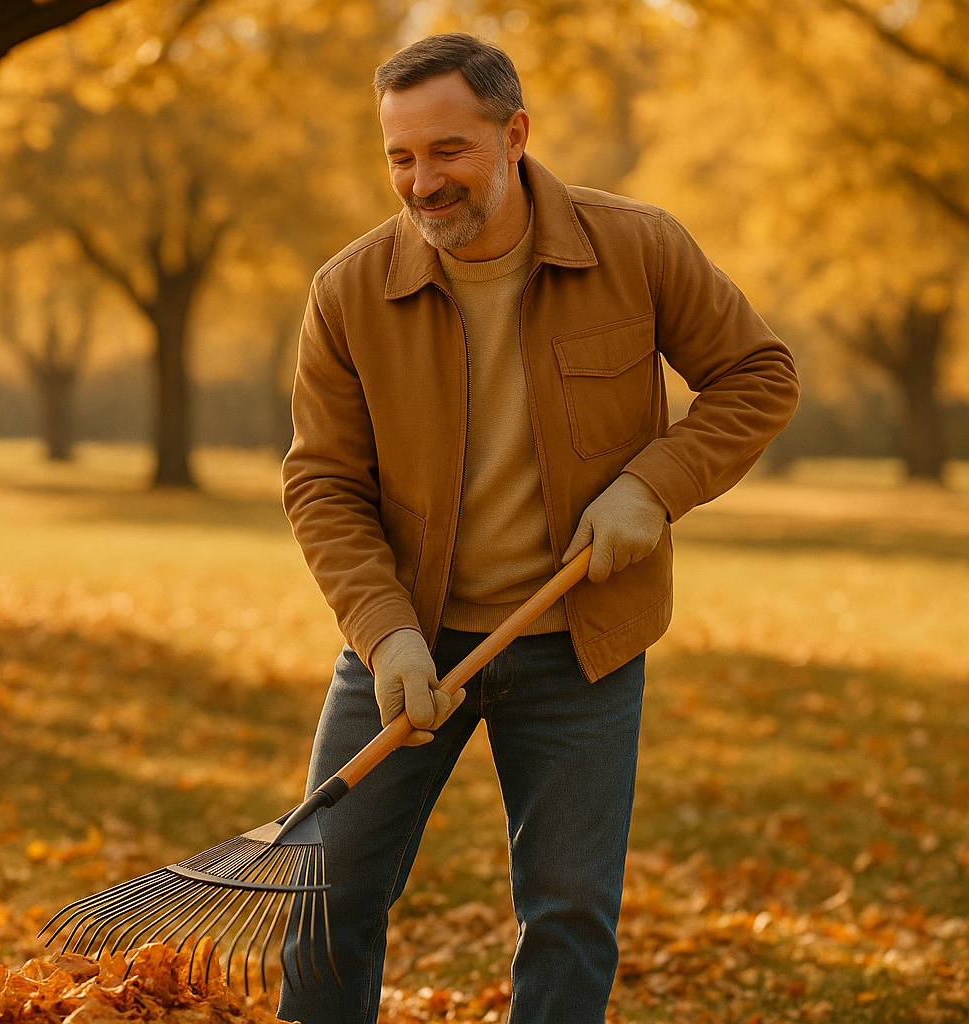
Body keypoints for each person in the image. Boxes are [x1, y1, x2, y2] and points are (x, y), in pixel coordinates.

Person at [279, 33, 799, 1024]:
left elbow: (759, 374)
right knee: (328, 889)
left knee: (568, 912)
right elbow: (323, 483)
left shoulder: (637, 246)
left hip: (580, 645)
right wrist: (384, 629)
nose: (421, 182)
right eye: (400, 156)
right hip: (409, 639)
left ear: (515, 134)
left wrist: (655, 485)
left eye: (448, 151)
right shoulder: (348, 293)